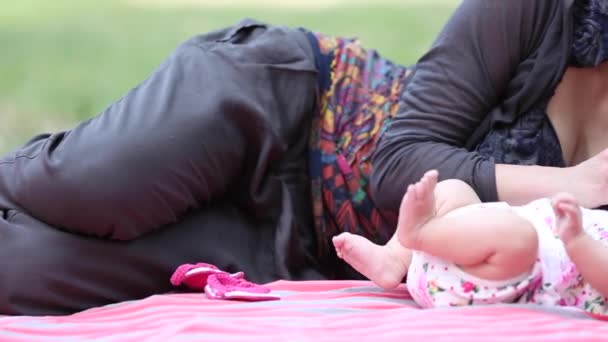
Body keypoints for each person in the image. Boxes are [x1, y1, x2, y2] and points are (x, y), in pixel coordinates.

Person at [2, 0, 608, 315]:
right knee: (88, 187)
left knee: (23, 273)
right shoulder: (543, 11)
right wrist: (572, 184)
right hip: (278, 110)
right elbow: (400, 161)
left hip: (302, 249)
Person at [333, 170, 608, 315]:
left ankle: (420, 233)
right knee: (455, 190)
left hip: (490, 282)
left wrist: (579, 241)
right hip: (463, 246)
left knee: (519, 238)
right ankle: (394, 259)